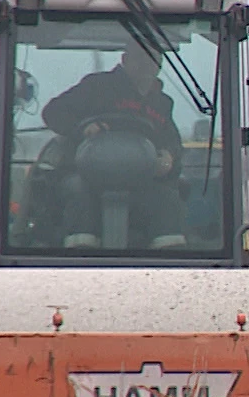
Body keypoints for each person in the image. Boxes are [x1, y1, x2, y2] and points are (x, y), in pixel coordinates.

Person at [41, 40, 187, 248]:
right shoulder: (96, 86)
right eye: (140, 58)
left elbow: (173, 142)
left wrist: (169, 157)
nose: (147, 65)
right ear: (125, 59)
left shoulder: (163, 103)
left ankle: (172, 265)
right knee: (78, 194)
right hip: (86, 180)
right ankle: (80, 259)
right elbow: (52, 112)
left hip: (142, 184)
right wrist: (83, 128)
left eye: (153, 59)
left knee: (167, 200)